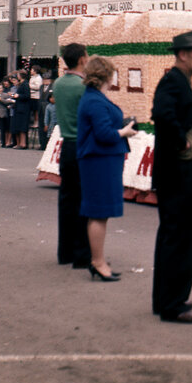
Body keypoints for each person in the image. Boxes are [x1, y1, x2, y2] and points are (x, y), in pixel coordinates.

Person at [151, 30, 192, 323]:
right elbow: (161, 114)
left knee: (174, 236)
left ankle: (165, 299)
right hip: (181, 172)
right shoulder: (173, 80)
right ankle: (173, 304)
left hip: (180, 172)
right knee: (181, 239)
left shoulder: (178, 80)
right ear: (183, 54)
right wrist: (181, 143)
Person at [76, 56, 138, 282]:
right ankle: (98, 262)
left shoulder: (94, 98)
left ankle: (98, 260)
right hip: (99, 161)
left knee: (99, 213)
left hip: (101, 161)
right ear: (106, 76)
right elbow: (103, 134)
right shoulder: (95, 100)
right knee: (99, 213)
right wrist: (125, 132)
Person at [53, 44, 91, 268]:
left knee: (67, 200)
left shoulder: (58, 84)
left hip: (66, 145)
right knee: (84, 200)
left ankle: (65, 252)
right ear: (82, 60)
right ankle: (82, 253)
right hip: (83, 146)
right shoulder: (84, 86)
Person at [10, 70, 32, 149]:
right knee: (18, 126)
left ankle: (23, 143)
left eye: (18, 75)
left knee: (22, 127)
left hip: (23, 108)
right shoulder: (21, 84)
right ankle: (19, 143)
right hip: (18, 107)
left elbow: (27, 96)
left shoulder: (25, 84)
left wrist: (18, 96)